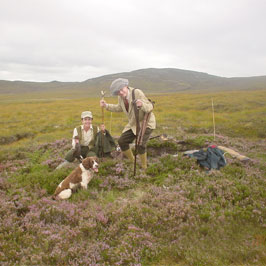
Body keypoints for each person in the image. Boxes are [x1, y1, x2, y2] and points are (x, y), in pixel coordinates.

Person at [100, 78, 156, 169]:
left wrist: (141, 104)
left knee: (140, 145)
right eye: (118, 92)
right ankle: (132, 161)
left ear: (126, 86)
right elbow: (119, 108)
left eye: (122, 90)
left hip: (145, 123)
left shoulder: (137, 92)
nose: (121, 93)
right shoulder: (120, 97)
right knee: (122, 141)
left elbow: (149, 107)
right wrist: (106, 106)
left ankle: (144, 166)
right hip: (133, 124)